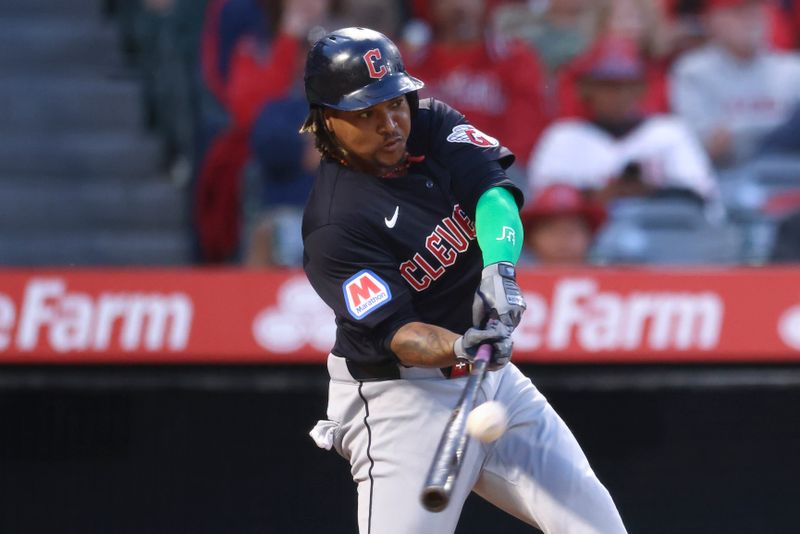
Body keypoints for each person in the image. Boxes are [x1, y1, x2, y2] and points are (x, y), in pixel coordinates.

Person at [302, 27, 628, 534]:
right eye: (366, 113)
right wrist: (462, 345)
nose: (390, 124)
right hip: (401, 399)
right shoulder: (334, 224)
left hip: (492, 382)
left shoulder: (428, 124)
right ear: (328, 120)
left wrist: (500, 267)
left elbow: (493, 193)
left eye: (395, 103)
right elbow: (399, 335)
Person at [528, 36, 717, 202]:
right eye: (608, 85)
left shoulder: (670, 133)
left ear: (642, 88)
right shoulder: (563, 137)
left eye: (627, 84)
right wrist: (597, 195)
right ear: (586, 89)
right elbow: (545, 204)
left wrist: (651, 191)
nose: (618, 95)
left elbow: (701, 198)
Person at [402, 0, 549, 172]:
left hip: (499, 173)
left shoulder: (515, 58)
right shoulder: (409, 64)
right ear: (431, 7)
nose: (459, 6)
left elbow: (526, 131)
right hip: (426, 177)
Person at [669, 0, 800, 167]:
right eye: (738, 12)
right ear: (711, 20)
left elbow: (725, 138)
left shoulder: (793, 69)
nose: (751, 18)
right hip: (725, 179)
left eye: (756, 10)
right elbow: (702, 147)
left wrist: (735, 134)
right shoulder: (692, 71)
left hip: (789, 176)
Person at [521, 184, 607, 265]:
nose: (562, 239)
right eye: (552, 231)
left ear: (589, 236)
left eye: (571, 230)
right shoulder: (512, 278)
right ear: (530, 239)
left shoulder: (609, 277)